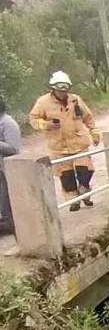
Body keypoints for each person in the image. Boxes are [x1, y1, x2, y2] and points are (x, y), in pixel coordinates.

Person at [28, 71, 100, 212]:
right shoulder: (43, 102)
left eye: (65, 90)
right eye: (60, 90)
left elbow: (88, 117)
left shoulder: (76, 100)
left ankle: (85, 191)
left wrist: (94, 132)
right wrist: (46, 125)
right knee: (66, 177)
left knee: (85, 171)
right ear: (53, 88)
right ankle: (74, 200)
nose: (63, 93)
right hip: (59, 146)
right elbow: (33, 119)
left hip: (79, 143)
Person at [0, 95, 22, 236]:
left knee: (5, 203)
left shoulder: (8, 123)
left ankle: (8, 226)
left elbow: (14, 149)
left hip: (5, 170)